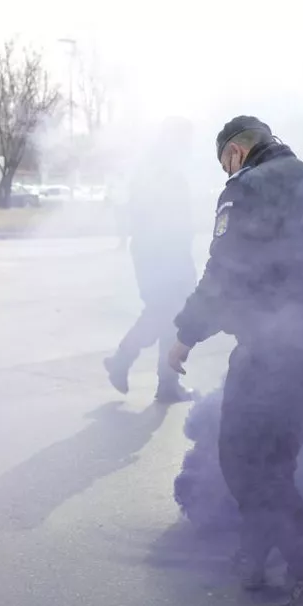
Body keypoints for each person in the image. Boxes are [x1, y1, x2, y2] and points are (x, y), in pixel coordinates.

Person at [167, 116, 303, 606]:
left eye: (224, 163)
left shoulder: (247, 189)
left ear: (236, 152)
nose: (225, 172)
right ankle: (256, 553)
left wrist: (186, 333)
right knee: (275, 460)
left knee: (247, 464)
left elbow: (224, 273)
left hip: (269, 350)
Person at [104, 119, 197, 404]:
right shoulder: (164, 173)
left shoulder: (154, 169)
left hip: (155, 252)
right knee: (164, 314)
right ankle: (128, 363)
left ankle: (159, 380)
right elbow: (172, 222)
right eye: (186, 140)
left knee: (165, 316)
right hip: (162, 254)